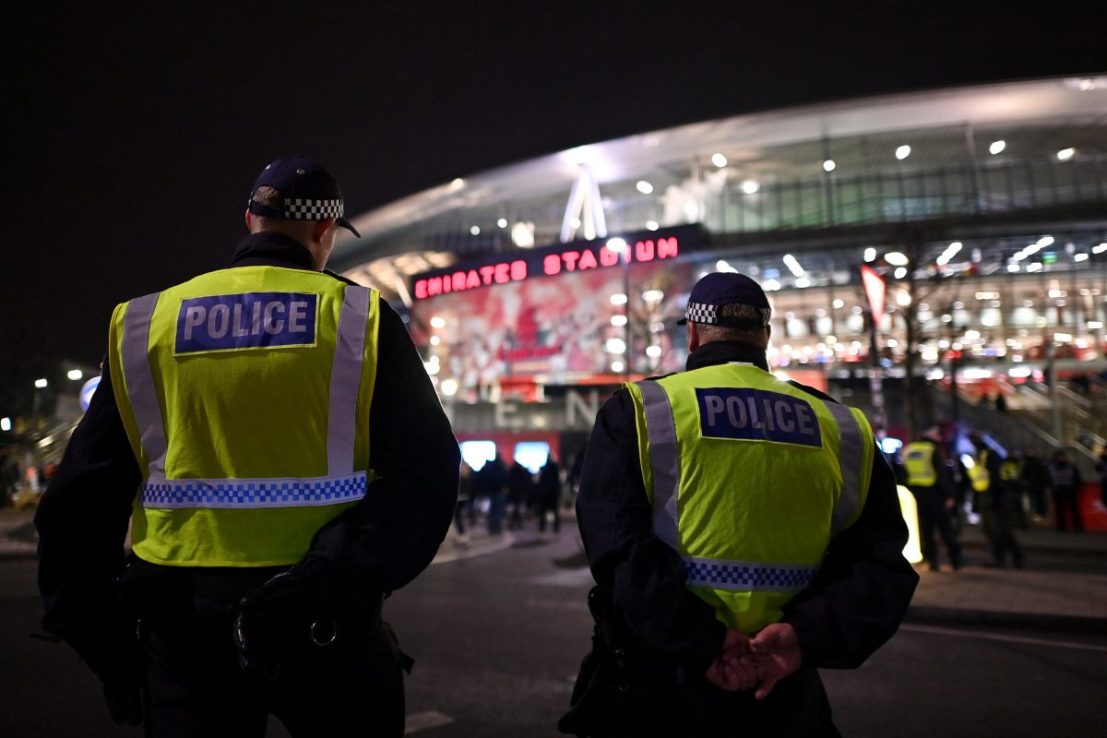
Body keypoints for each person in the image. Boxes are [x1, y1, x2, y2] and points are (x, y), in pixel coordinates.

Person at [34, 156, 460, 737]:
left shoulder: (146, 323)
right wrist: (341, 578)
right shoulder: (358, 318)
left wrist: (103, 641)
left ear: (250, 220)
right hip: (320, 615)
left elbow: (79, 499)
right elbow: (428, 476)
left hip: (181, 625)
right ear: (324, 231)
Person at [562, 272, 918, 737]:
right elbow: (880, 564)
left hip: (660, 688)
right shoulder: (843, 426)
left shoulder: (641, 409)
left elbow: (619, 550)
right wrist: (803, 638)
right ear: (765, 335)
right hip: (783, 692)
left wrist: (702, 641)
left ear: (692, 332)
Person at [903, 427, 963, 571]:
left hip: (916, 495)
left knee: (926, 530)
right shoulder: (932, 450)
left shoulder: (909, 449)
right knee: (945, 528)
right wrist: (949, 495)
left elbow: (903, 472)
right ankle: (955, 561)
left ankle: (932, 562)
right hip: (935, 494)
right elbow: (942, 475)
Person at [967, 431, 1025, 568]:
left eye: (974, 438)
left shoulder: (989, 454)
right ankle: (999, 558)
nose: (972, 441)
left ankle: (1017, 556)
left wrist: (995, 497)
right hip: (985, 497)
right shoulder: (976, 456)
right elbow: (976, 481)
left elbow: (996, 478)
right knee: (989, 530)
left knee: (1001, 530)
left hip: (995, 497)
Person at [1047, 449, 1084, 531]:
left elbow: (1077, 478)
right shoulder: (1051, 466)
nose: (1062, 458)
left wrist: (1075, 488)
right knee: (1060, 510)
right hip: (1058, 490)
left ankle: (1077, 526)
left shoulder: (1071, 466)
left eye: (1063, 456)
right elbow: (1048, 478)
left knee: (1073, 509)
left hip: (1069, 490)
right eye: (1060, 456)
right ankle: (1061, 527)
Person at [537, 453, 562, 534]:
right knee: (555, 512)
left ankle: (542, 529)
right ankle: (555, 529)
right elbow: (558, 482)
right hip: (553, 494)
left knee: (542, 513)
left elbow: (540, 482)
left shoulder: (543, 469)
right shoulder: (556, 468)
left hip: (544, 494)